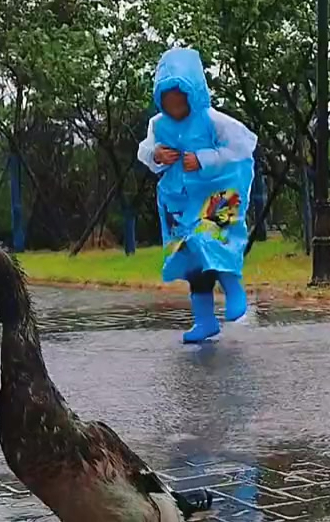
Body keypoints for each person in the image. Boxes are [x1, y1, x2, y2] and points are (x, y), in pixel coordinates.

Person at [138, 47, 258, 343]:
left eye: (181, 101)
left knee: (214, 240)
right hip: (180, 202)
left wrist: (204, 158)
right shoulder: (158, 124)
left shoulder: (214, 120)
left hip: (219, 193)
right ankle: (205, 320)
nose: (176, 108)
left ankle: (234, 290)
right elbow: (144, 152)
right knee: (191, 257)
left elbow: (243, 147)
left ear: (194, 95)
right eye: (168, 102)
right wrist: (156, 154)